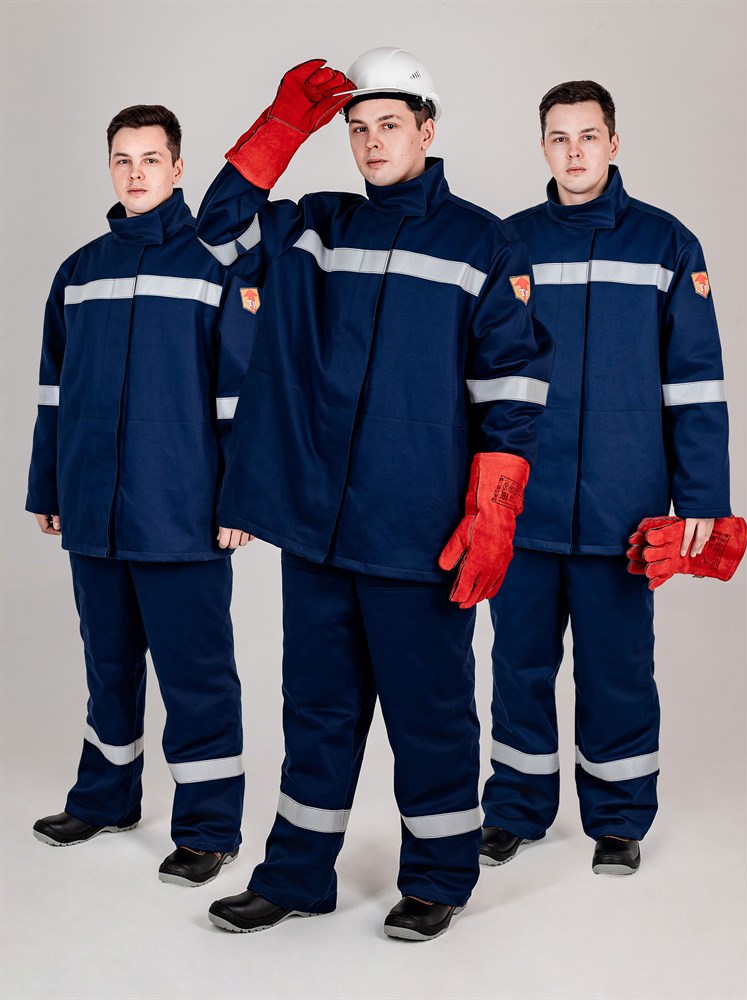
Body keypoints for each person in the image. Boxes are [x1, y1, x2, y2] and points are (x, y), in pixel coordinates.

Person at [195, 48, 552, 940]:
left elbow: (512, 383)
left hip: (416, 528)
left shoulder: (484, 242)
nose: (371, 142)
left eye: (389, 124)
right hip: (318, 522)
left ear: (427, 130)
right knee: (316, 709)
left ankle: (437, 878)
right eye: (357, 128)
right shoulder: (317, 225)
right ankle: (296, 876)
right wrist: (283, 127)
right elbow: (218, 230)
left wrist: (494, 508)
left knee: (429, 712)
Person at [479, 80, 736, 876]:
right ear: (543, 147)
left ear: (614, 143)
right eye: (559, 138)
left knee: (617, 670)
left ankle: (619, 818)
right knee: (518, 664)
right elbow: (482, 374)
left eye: (588, 136)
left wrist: (702, 497)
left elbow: (695, 380)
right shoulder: (510, 243)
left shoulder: (667, 244)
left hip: (624, 507)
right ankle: (516, 808)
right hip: (525, 503)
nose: (574, 152)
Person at [26, 104, 255, 887]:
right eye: (123, 159)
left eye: (151, 159)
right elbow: (54, 391)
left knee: (197, 673)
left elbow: (240, 396)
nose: (135, 173)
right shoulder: (79, 271)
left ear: (178, 168)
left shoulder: (213, 265)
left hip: (181, 510)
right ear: (110, 167)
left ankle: (209, 827)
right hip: (93, 505)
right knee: (108, 662)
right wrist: (49, 483)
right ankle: (106, 798)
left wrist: (238, 501)